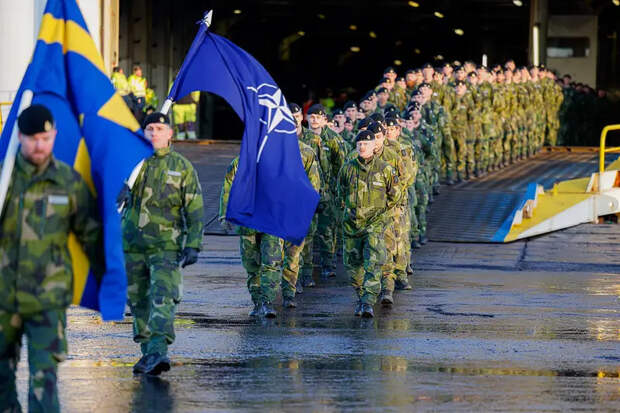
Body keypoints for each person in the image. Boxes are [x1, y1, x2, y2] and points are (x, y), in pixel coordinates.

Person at [0, 104, 104, 412]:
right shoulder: (4, 179)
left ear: (54, 136)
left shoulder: (68, 182)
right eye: (32, 138)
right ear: (20, 137)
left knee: (44, 382)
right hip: (3, 298)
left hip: (48, 299)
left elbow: (91, 235)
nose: (39, 145)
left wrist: (111, 279)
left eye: (45, 138)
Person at [121, 112, 204, 375]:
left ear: (170, 133)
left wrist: (194, 243)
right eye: (150, 129)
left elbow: (195, 208)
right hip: (132, 244)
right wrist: (118, 187)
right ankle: (148, 352)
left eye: (160, 128)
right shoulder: (132, 163)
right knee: (138, 300)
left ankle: (158, 351)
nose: (154, 133)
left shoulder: (182, 167)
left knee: (162, 297)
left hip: (166, 246)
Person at [337, 130, 400, 317]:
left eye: (366, 143)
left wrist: (380, 214)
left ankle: (368, 302)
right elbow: (339, 194)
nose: (362, 147)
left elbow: (395, 195)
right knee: (352, 266)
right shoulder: (347, 169)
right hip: (352, 225)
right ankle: (361, 296)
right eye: (359, 144)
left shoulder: (385, 169)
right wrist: (348, 212)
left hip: (375, 224)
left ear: (374, 146)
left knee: (373, 263)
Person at [219, 157, 284, 317]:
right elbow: (228, 188)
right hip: (247, 221)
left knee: (271, 262)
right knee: (252, 265)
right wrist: (224, 215)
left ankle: (268, 302)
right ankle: (258, 303)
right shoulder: (238, 163)